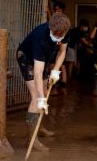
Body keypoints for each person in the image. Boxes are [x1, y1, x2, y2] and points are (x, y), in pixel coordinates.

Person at [16, 12, 71, 151]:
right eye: (55, 36)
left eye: (61, 36)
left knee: (45, 92)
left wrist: (56, 70)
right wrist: (41, 98)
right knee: (37, 97)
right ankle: (32, 140)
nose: (58, 39)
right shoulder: (41, 37)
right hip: (27, 58)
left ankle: (38, 128)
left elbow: (62, 51)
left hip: (45, 58)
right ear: (50, 28)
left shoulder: (64, 30)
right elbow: (38, 72)